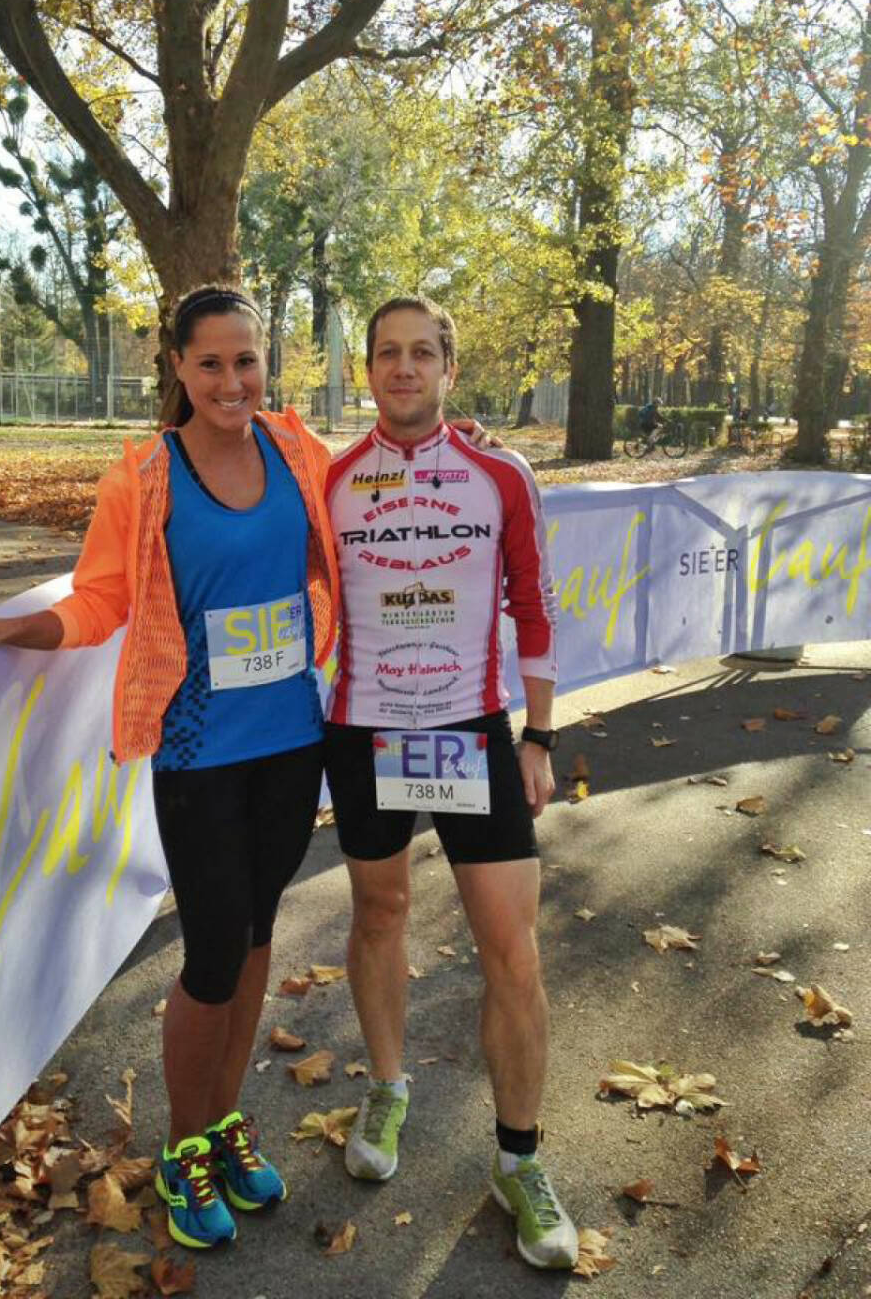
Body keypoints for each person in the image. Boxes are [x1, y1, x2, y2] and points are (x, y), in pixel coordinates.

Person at [0, 286, 338, 1250]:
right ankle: (183, 1148)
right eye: (211, 364)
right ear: (179, 371)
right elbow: (105, 595)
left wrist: (454, 436)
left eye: (247, 361)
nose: (233, 381)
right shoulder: (149, 475)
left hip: (293, 739)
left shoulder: (299, 452)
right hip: (200, 751)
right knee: (208, 954)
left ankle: (226, 1122)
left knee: (258, 932)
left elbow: (373, 497)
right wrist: (13, 630)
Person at [322, 296, 578, 1271]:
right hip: (364, 729)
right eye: (386, 353)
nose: (401, 367)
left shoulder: (500, 474)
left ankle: (520, 1158)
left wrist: (541, 735)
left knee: (511, 946)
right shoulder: (333, 480)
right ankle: (388, 1089)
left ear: (448, 369)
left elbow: (535, 601)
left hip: (472, 730)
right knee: (378, 912)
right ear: (369, 370)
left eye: (421, 352)